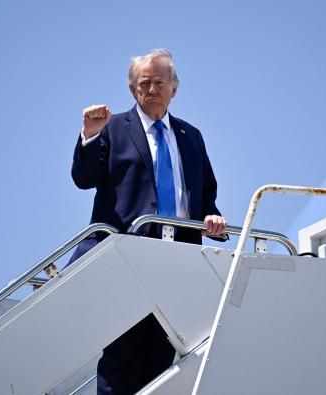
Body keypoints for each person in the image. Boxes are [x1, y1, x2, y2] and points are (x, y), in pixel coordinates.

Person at [68, 49, 227, 394]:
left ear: (174, 89)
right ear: (132, 90)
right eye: (144, 83)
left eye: (159, 82)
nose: (152, 89)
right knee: (123, 354)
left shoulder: (191, 135)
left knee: (162, 357)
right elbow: (84, 177)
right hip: (128, 258)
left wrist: (211, 217)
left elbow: (203, 193)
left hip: (178, 261)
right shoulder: (113, 129)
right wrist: (90, 134)